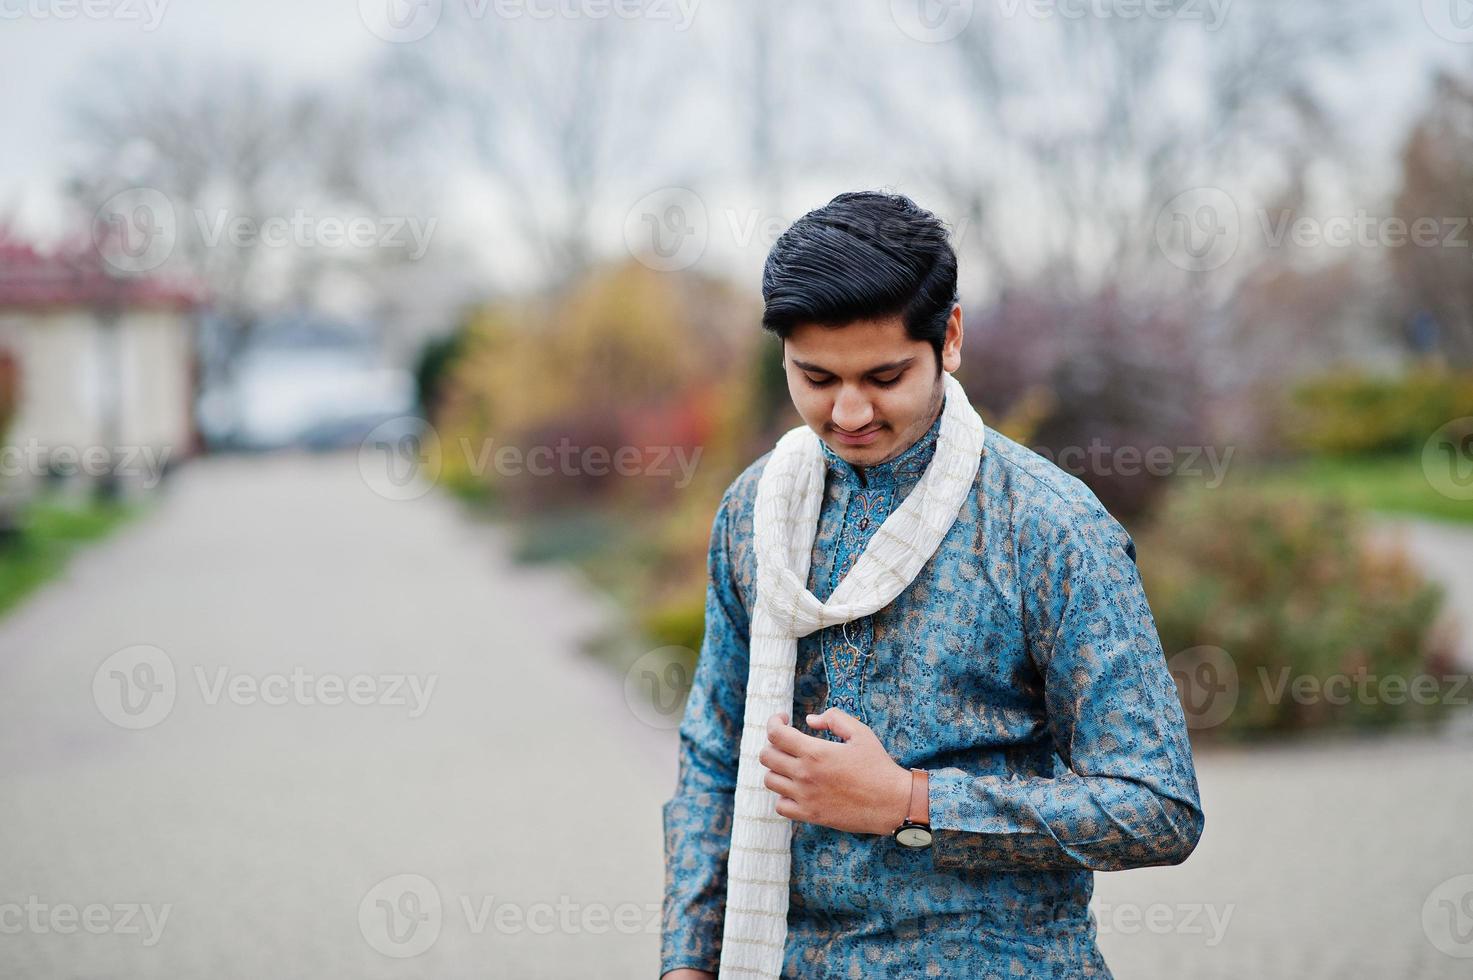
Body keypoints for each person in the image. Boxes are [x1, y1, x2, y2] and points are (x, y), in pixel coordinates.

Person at [659, 190, 1204, 979]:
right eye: (814, 377)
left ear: (947, 337)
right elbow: (715, 754)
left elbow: (1157, 806)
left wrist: (911, 804)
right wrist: (686, 961)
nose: (847, 411)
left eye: (882, 376)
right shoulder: (755, 510)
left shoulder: (1048, 527)